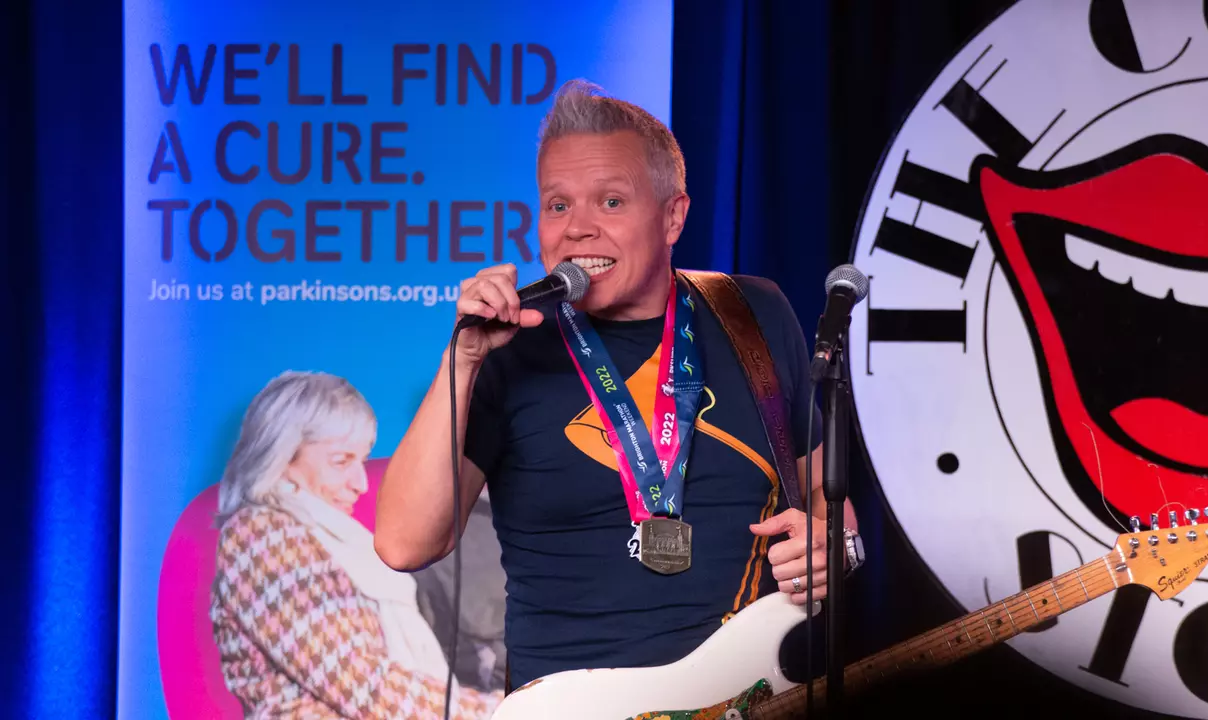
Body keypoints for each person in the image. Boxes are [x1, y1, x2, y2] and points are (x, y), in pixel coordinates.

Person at [375, 79, 859, 694]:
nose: (576, 229)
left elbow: (822, 496)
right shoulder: (506, 348)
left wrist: (834, 545)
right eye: (557, 205)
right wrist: (461, 359)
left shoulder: (753, 313)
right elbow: (403, 543)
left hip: (747, 696)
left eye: (610, 202)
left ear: (672, 216)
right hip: (568, 703)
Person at [209, 370, 502, 719]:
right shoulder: (259, 536)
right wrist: (497, 712)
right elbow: (361, 682)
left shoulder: (331, 539)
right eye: (341, 461)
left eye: (361, 461)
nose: (361, 484)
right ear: (280, 457)